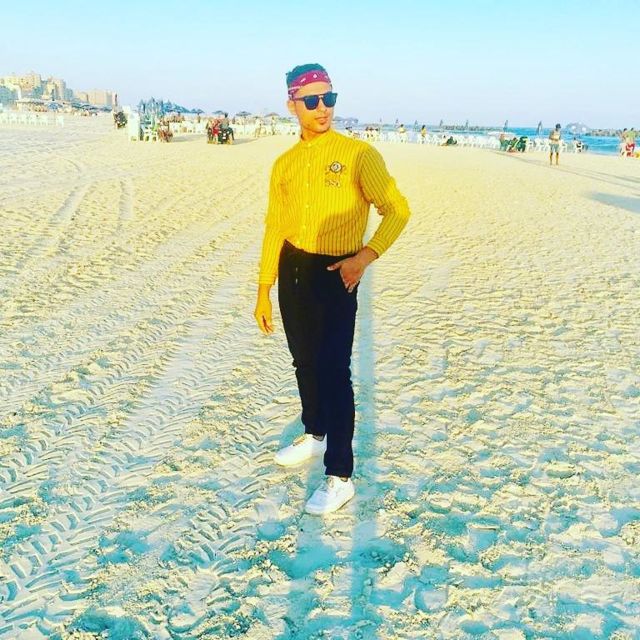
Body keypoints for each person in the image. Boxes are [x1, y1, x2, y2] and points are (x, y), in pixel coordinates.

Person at [254, 63, 410, 515]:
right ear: (293, 105)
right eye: (312, 100)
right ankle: (314, 432)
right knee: (303, 361)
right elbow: (275, 225)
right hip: (293, 267)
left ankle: (340, 475)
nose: (323, 108)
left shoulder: (359, 155)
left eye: (330, 98)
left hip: (337, 271)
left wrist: (366, 256)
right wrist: (264, 286)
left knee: (335, 372)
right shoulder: (285, 164)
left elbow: (397, 210)